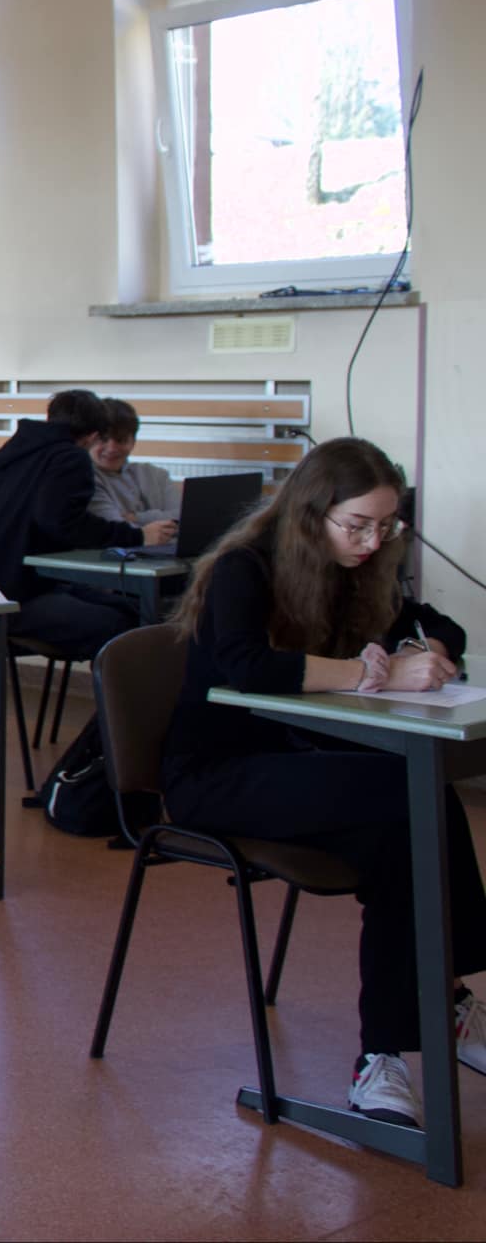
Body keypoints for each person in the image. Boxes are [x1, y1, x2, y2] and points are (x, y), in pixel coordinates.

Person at [163, 437, 485, 1130]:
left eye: (386, 526)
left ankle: (388, 1047)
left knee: (404, 828)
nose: (372, 542)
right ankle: (441, 996)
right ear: (312, 515)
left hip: (297, 759)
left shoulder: (356, 569)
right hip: (217, 774)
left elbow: (439, 626)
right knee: (410, 799)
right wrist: (375, 673)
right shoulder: (244, 567)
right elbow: (246, 666)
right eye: (358, 525)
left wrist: (426, 651)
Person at [0, 388, 173, 655]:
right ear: (92, 436)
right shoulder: (70, 458)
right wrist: (138, 536)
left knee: (134, 611)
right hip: (17, 597)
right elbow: (63, 524)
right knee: (131, 623)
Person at [88, 397, 181, 526]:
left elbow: (182, 516)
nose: (112, 448)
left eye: (121, 440)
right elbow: (115, 528)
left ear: (133, 442)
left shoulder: (157, 475)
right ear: (88, 440)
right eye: (103, 439)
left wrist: (137, 518)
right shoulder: (85, 480)